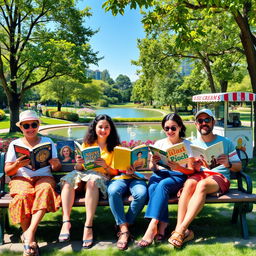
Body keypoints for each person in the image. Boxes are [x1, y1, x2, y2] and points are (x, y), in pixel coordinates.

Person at [168, 109, 242, 248]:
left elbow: (238, 167)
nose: (204, 123)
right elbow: (191, 170)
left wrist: (228, 163)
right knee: (189, 183)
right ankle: (181, 230)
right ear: (196, 124)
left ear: (213, 122)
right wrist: (195, 166)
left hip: (218, 177)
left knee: (201, 185)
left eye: (207, 120)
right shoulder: (192, 144)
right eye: (200, 121)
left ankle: (181, 230)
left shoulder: (226, 142)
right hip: (200, 175)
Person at [58, 114, 120, 249]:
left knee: (92, 181)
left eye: (106, 127)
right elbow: (79, 168)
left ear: (111, 129)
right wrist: (79, 163)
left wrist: (105, 166)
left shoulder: (115, 146)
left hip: (100, 177)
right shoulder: (87, 143)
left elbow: (116, 172)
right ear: (94, 128)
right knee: (69, 180)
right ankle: (66, 222)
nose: (103, 130)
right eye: (100, 127)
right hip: (83, 174)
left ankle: (88, 225)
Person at [4, 110, 61, 256]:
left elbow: (56, 167)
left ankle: (28, 235)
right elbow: (8, 171)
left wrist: (55, 164)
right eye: (26, 125)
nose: (30, 128)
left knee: (45, 189)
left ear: (38, 125)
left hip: (44, 177)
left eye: (33, 124)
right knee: (23, 196)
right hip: (21, 179)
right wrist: (17, 165)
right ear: (21, 128)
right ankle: (31, 239)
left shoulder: (48, 142)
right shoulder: (15, 144)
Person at [137, 113, 195, 248]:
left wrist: (179, 167)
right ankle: (163, 225)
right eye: (167, 128)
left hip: (178, 176)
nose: (170, 131)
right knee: (152, 186)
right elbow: (154, 169)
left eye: (173, 128)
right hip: (161, 173)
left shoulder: (188, 145)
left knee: (162, 185)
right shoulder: (159, 144)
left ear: (180, 127)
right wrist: (152, 162)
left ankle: (152, 225)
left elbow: (191, 170)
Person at [107, 157, 147, 250]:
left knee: (141, 194)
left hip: (136, 177)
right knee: (113, 191)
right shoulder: (111, 151)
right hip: (119, 178)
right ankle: (124, 231)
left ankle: (124, 226)